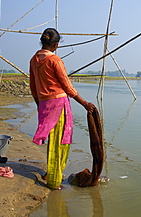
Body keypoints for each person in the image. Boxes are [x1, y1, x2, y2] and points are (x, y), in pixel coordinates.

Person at [29, 28, 94, 190]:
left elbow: (33, 86)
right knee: (61, 143)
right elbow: (67, 87)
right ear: (56, 44)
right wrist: (85, 103)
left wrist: (39, 104)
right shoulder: (55, 60)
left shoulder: (34, 60)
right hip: (58, 105)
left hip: (44, 104)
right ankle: (54, 181)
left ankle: (51, 173)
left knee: (53, 142)